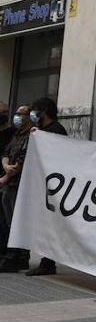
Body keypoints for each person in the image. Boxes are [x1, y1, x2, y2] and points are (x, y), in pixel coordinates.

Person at [21, 97, 68, 276]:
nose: (34, 114)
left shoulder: (56, 129)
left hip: (52, 184)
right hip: (42, 181)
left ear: (45, 111)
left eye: (36, 110)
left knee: (49, 224)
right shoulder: (40, 130)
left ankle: (48, 262)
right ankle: (45, 261)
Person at [0, 105, 30, 273]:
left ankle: (20, 256)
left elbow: (23, 158)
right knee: (9, 220)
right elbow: (6, 152)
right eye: (16, 113)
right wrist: (5, 165)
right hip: (8, 183)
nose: (17, 116)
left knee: (18, 220)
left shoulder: (31, 135)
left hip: (17, 183)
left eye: (21, 114)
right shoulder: (15, 135)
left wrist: (8, 175)